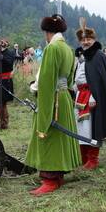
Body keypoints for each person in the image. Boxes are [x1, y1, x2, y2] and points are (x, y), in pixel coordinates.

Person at [25, 14, 81, 195]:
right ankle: (59, 176)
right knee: (61, 138)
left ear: (46, 32)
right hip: (64, 98)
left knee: (48, 135)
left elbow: (47, 81)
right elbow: (70, 78)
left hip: (53, 99)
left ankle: (50, 179)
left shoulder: (52, 48)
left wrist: (40, 99)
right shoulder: (68, 49)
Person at [73, 18, 106, 170]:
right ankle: (83, 157)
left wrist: (94, 96)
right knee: (80, 127)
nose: (85, 42)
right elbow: (80, 75)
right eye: (83, 39)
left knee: (92, 127)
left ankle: (93, 159)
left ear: (94, 40)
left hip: (92, 97)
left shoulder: (98, 56)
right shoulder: (82, 56)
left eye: (88, 39)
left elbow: (100, 81)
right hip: (80, 95)